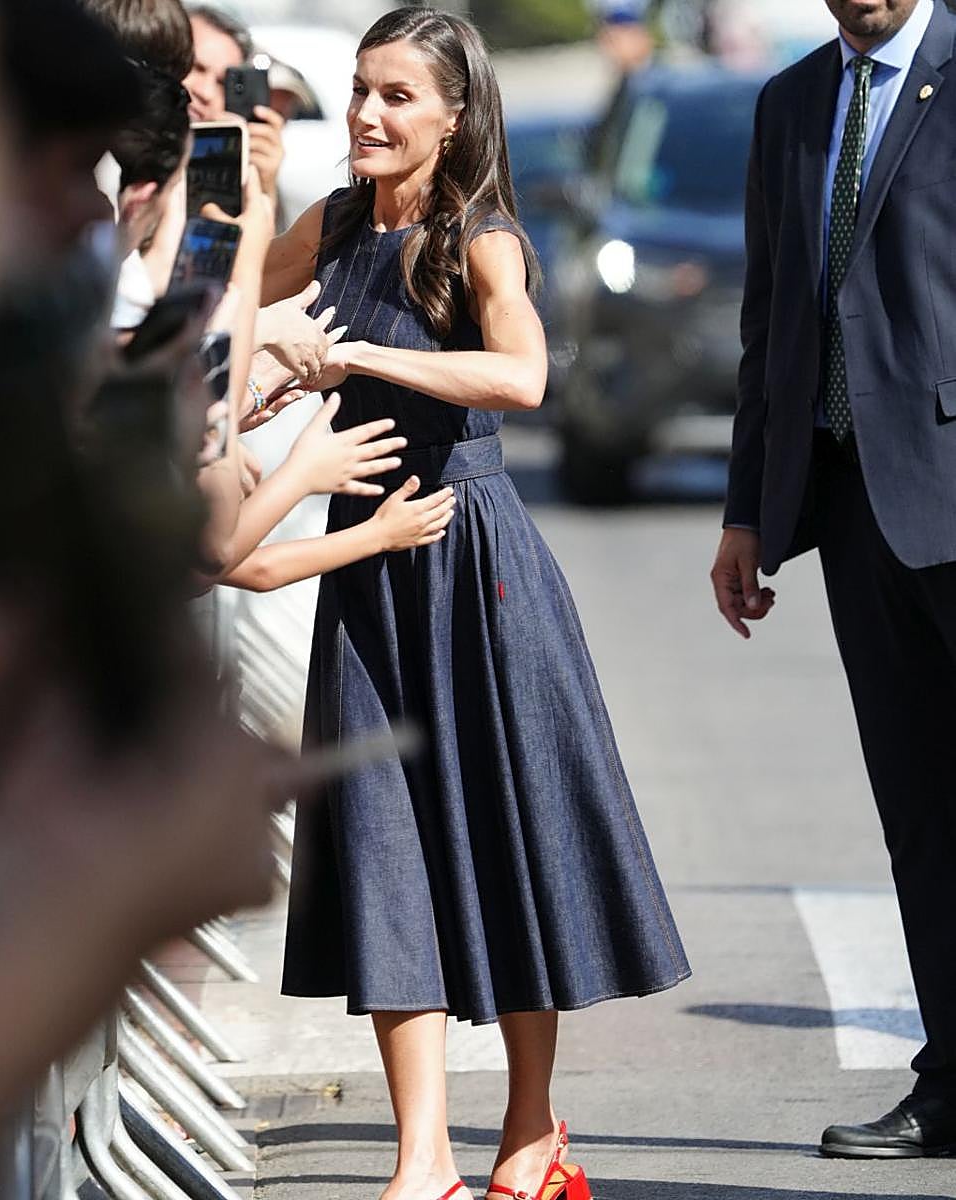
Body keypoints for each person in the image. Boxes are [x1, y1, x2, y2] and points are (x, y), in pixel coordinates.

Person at [266, 10, 690, 1200]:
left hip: (472, 565)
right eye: (359, 89)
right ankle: (418, 1164)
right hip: (366, 568)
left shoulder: (482, 238)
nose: (365, 114)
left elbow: (523, 374)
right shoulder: (340, 221)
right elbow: (240, 302)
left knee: (507, 844)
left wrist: (359, 361)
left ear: (453, 115)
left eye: (397, 95)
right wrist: (254, 368)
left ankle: (530, 1135)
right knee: (382, 850)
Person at [711, 0, 956, 1161]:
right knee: (921, 814)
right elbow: (772, 322)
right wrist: (745, 512)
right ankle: (952, 1078)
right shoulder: (792, 102)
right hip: (859, 510)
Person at [183, 3, 285, 201]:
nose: (206, 92)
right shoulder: (118, 138)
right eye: (196, 68)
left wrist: (263, 190)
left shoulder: (236, 173)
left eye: (223, 83)